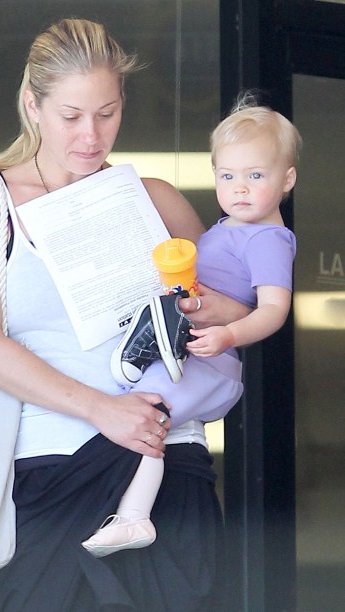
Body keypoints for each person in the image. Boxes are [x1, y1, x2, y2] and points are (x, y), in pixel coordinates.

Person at [0, 18, 249, 612]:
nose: (91, 135)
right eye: (71, 116)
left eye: (107, 113)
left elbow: (233, 318)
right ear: (33, 105)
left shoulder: (155, 198)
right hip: (52, 468)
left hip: (167, 459)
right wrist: (101, 410)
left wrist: (202, 303)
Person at [83, 97, 301, 558]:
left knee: (149, 416)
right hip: (197, 348)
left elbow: (274, 310)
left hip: (212, 359)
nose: (239, 188)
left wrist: (227, 335)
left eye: (255, 176)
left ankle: (135, 517)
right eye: (228, 176)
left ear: (287, 179)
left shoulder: (267, 240)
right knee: (142, 406)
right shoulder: (233, 227)